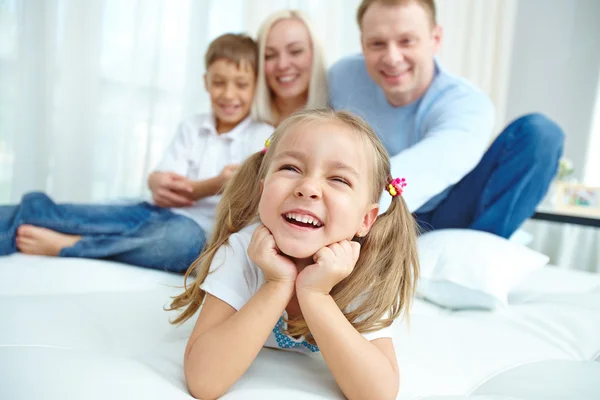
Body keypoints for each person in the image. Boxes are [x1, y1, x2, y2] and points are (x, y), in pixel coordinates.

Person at [168, 109, 419, 399]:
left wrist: (315, 295)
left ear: (366, 220)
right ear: (263, 191)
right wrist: (276, 284)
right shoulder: (242, 251)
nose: (308, 188)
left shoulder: (364, 270)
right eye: (291, 168)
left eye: (339, 179)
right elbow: (203, 381)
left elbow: (378, 394)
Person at [0, 33, 274, 272]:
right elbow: (167, 193)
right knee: (59, 214)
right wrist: (215, 183)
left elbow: (240, 204)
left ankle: (73, 245)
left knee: (183, 243)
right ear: (205, 82)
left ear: (256, 85)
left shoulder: (262, 136)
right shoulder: (193, 127)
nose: (228, 94)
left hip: (192, 231)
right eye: (219, 82)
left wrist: (199, 187)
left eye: (241, 84)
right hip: (152, 212)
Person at [328, 0, 565, 238]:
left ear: (436, 39)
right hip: (369, 206)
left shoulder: (466, 103)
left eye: (406, 41)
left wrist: (347, 213)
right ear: (362, 44)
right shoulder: (342, 76)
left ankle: (478, 249)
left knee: (541, 133)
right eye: (377, 43)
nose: (392, 58)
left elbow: (429, 169)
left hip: (445, 209)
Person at [252, 10, 329, 126]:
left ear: (315, 54)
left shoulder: (334, 120)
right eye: (269, 55)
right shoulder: (242, 120)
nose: (282, 65)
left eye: (295, 51)